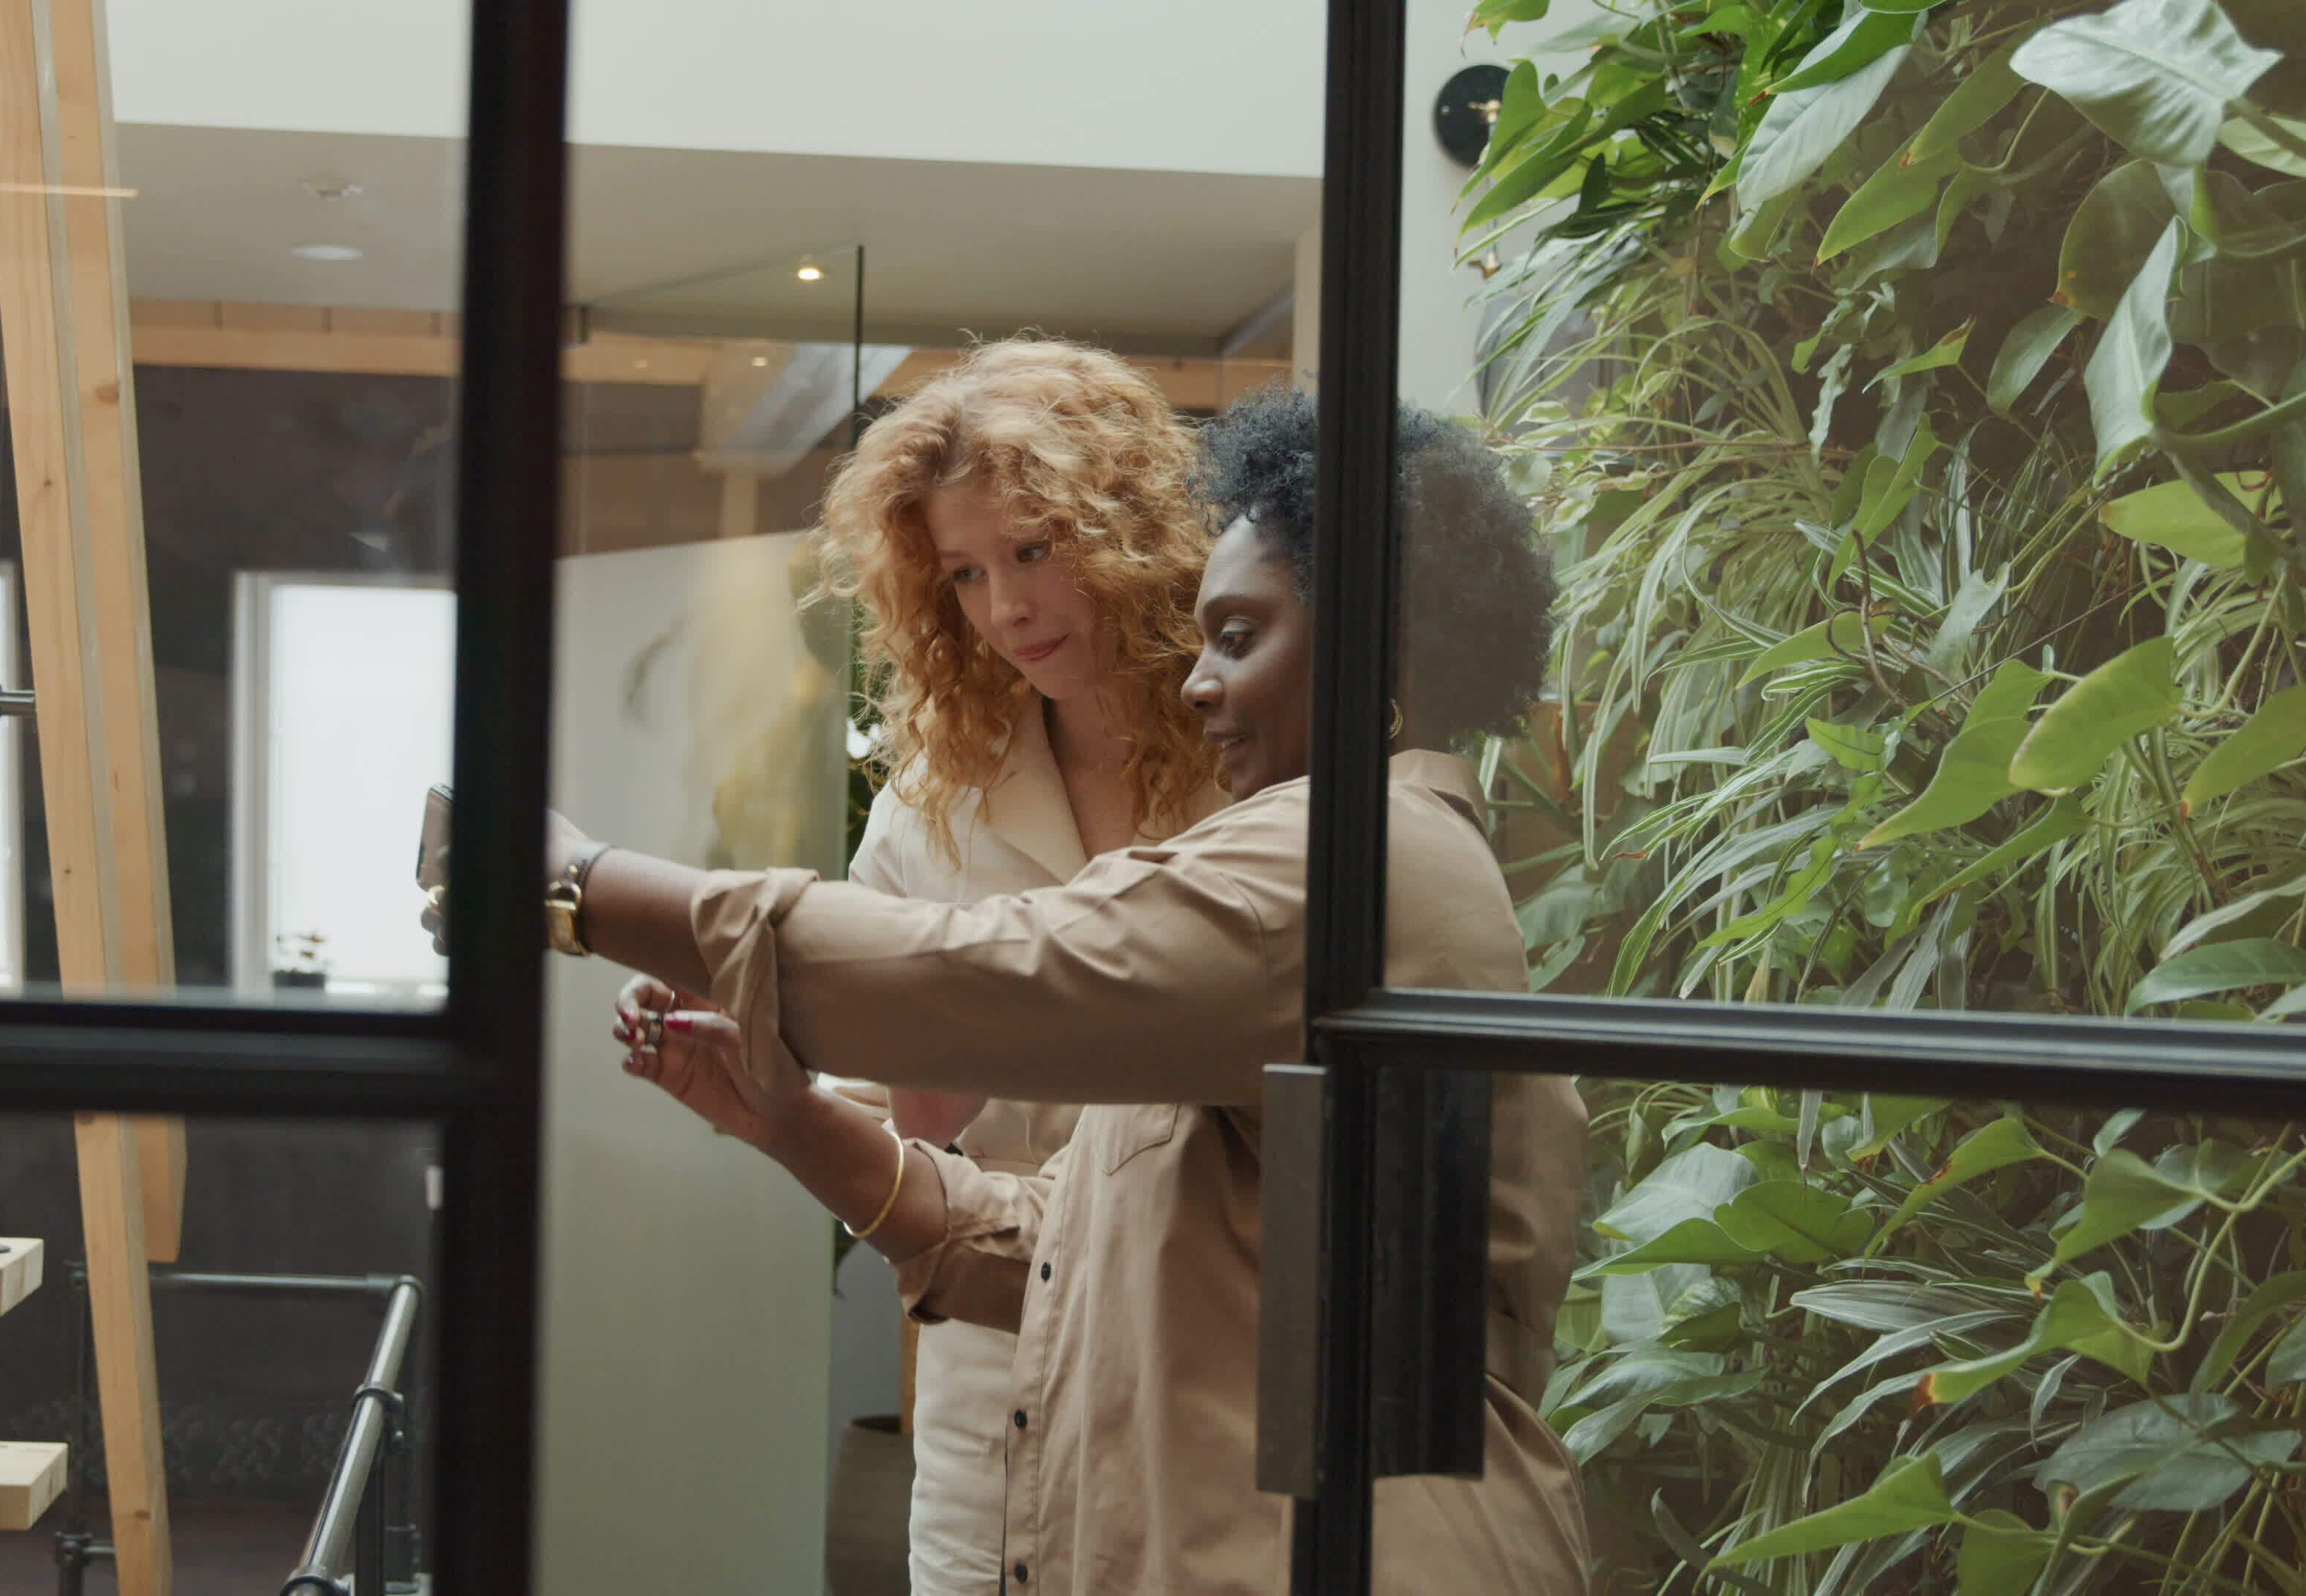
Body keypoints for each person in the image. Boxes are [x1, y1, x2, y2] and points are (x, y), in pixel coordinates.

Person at [560, 386, 1589, 1592]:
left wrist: (581, 885)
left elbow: (1005, 976)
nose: (1205, 683)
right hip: (1134, 1484)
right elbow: (1069, 1242)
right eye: (966, 574)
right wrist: (792, 1121)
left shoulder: (1341, 855)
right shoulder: (1320, 843)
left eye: (1242, 639)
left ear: (1376, 643)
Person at [811, 337, 1224, 1594]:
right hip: (997, 1371)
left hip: (1206, 1353)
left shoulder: (1252, 768)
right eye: (969, 574)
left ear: (1134, 532)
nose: (1009, 610)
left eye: (1036, 551)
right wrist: (911, 1122)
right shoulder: (936, 807)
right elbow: (862, 1112)